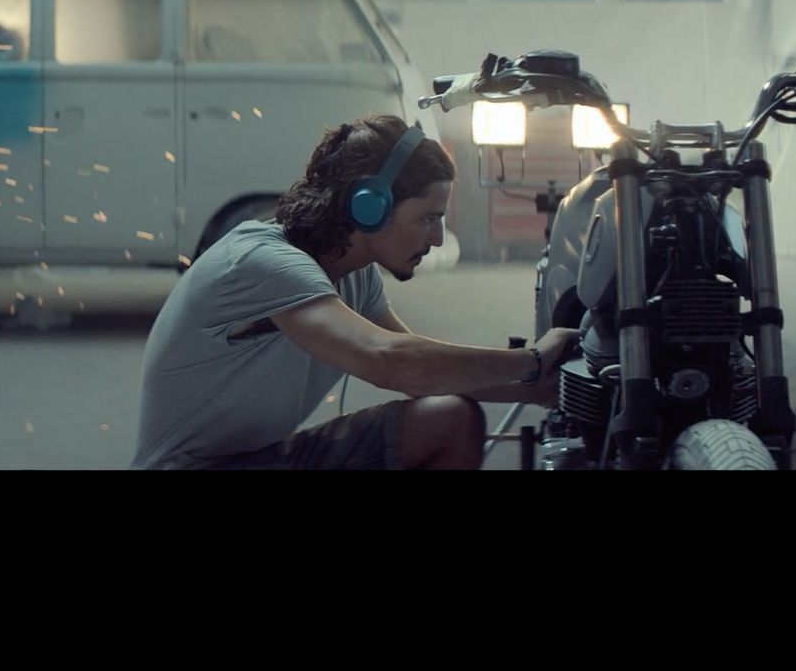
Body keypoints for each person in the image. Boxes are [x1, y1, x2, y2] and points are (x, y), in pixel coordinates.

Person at [132, 114, 580, 469]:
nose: (438, 238)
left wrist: (539, 388)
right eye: (428, 218)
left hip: (265, 457)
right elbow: (394, 363)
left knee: (449, 419)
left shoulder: (355, 272)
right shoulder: (264, 263)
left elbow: (427, 373)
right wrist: (531, 361)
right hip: (195, 466)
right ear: (370, 206)